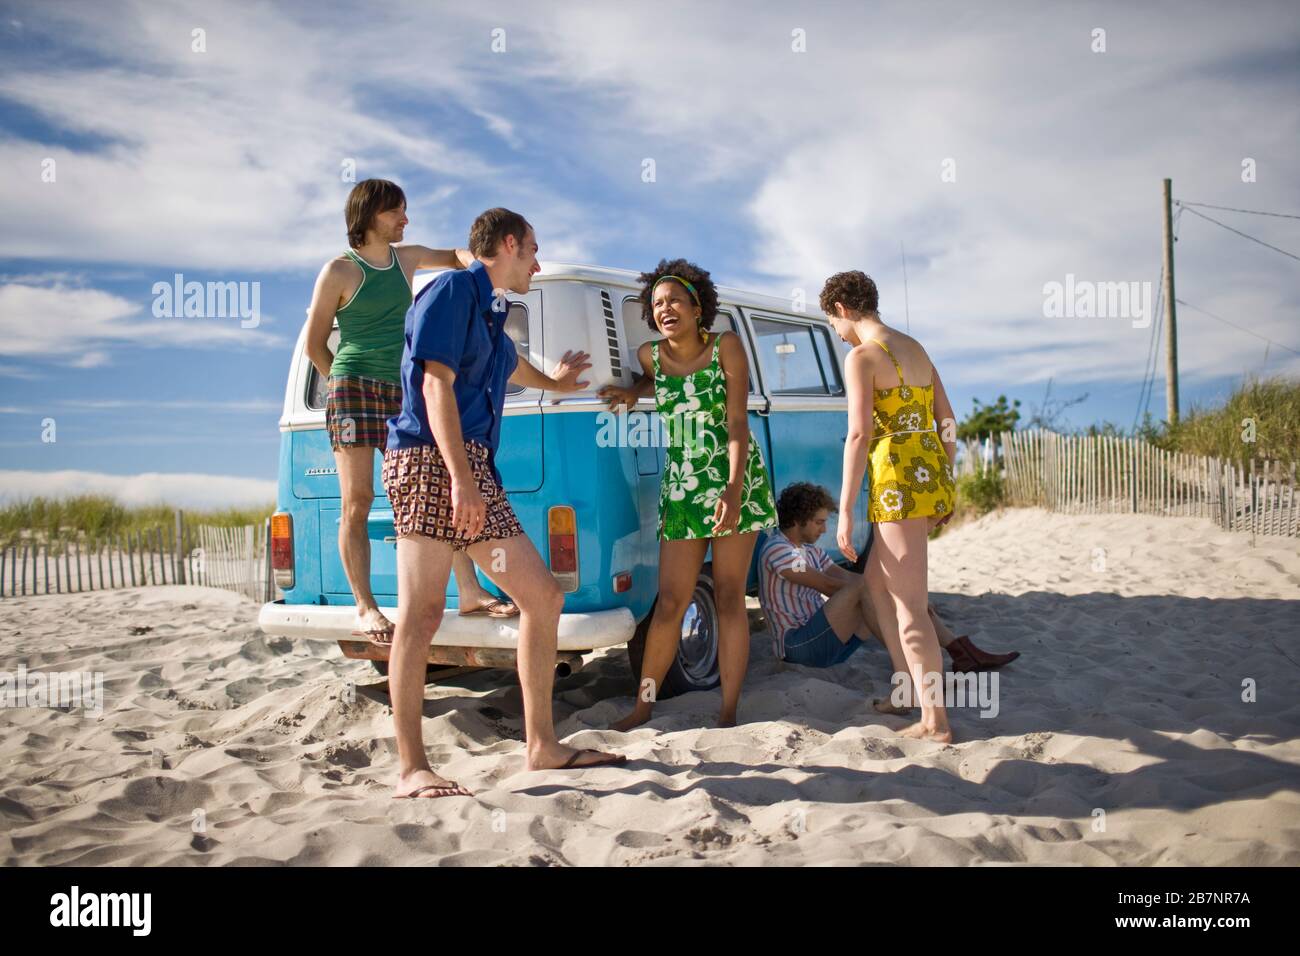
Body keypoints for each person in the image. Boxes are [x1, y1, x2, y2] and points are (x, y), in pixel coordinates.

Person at [383, 207, 626, 798]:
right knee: (420, 616)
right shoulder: (448, 290)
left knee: (542, 595)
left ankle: (541, 746)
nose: (538, 264)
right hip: (427, 460)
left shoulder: (491, 306)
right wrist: (461, 480)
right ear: (509, 244)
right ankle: (412, 768)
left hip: (471, 464)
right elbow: (433, 383)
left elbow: (506, 363)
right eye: (533, 251)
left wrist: (558, 383)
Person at [303, 179, 518, 646]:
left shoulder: (407, 258)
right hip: (353, 389)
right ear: (370, 214)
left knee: (441, 487)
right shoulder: (339, 271)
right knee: (357, 501)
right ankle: (366, 606)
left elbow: (461, 257)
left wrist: (481, 276)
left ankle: (469, 591)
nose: (405, 219)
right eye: (397, 212)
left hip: (403, 390)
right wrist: (342, 382)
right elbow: (314, 342)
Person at [599, 260, 778, 730]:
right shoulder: (649, 357)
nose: (665, 309)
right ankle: (643, 707)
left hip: (735, 480)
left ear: (697, 307)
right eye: (657, 304)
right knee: (671, 600)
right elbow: (652, 380)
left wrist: (734, 492)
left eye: (675, 300)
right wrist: (634, 391)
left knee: (727, 595)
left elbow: (738, 423)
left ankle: (729, 710)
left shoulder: (727, 347)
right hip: (682, 487)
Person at [825, 270, 959, 742]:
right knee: (877, 589)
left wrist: (844, 510)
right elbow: (947, 421)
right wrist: (946, 477)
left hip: (896, 487)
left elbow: (859, 435)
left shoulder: (862, 356)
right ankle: (905, 692)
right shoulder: (916, 348)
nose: (839, 335)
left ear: (842, 308)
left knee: (910, 607)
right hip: (927, 477)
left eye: (834, 324)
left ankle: (935, 722)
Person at [759, 482, 1019, 714]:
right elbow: (829, 585)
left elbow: (855, 580)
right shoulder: (778, 550)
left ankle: (956, 651)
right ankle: (910, 673)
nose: (824, 529)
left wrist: (899, 596)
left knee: (886, 590)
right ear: (797, 520)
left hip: (827, 645)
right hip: (797, 647)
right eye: (818, 522)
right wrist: (884, 593)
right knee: (872, 590)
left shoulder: (810, 551)